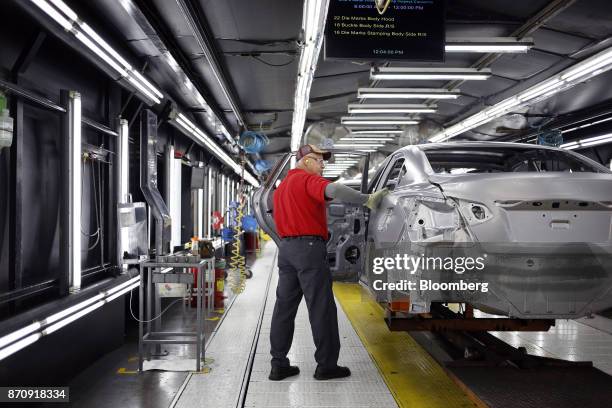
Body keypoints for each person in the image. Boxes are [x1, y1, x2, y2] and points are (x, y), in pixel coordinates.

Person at [269, 144, 389, 381]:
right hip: (309, 250)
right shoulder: (306, 179)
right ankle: (326, 365)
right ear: (305, 161)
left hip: (287, 250)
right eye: (319, 160)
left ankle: (278, 364)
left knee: (284, 308)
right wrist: (368, 199)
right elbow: (334, 189)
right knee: (321, 307)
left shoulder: (282, 187)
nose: (323, 165)